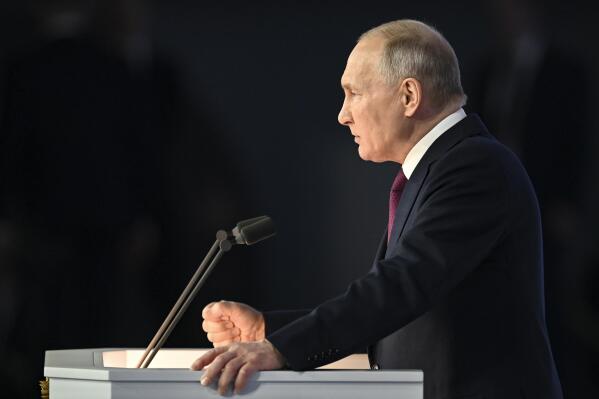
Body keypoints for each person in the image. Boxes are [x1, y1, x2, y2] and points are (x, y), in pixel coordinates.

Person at [191, 19, 563, 399]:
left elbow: (401, 286)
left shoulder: (476, 167)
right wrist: (269, 331)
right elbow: (389, 313)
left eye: (353, 93)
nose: (342, 114)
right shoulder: (435, 171)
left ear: (408, 96)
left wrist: (282, 348)